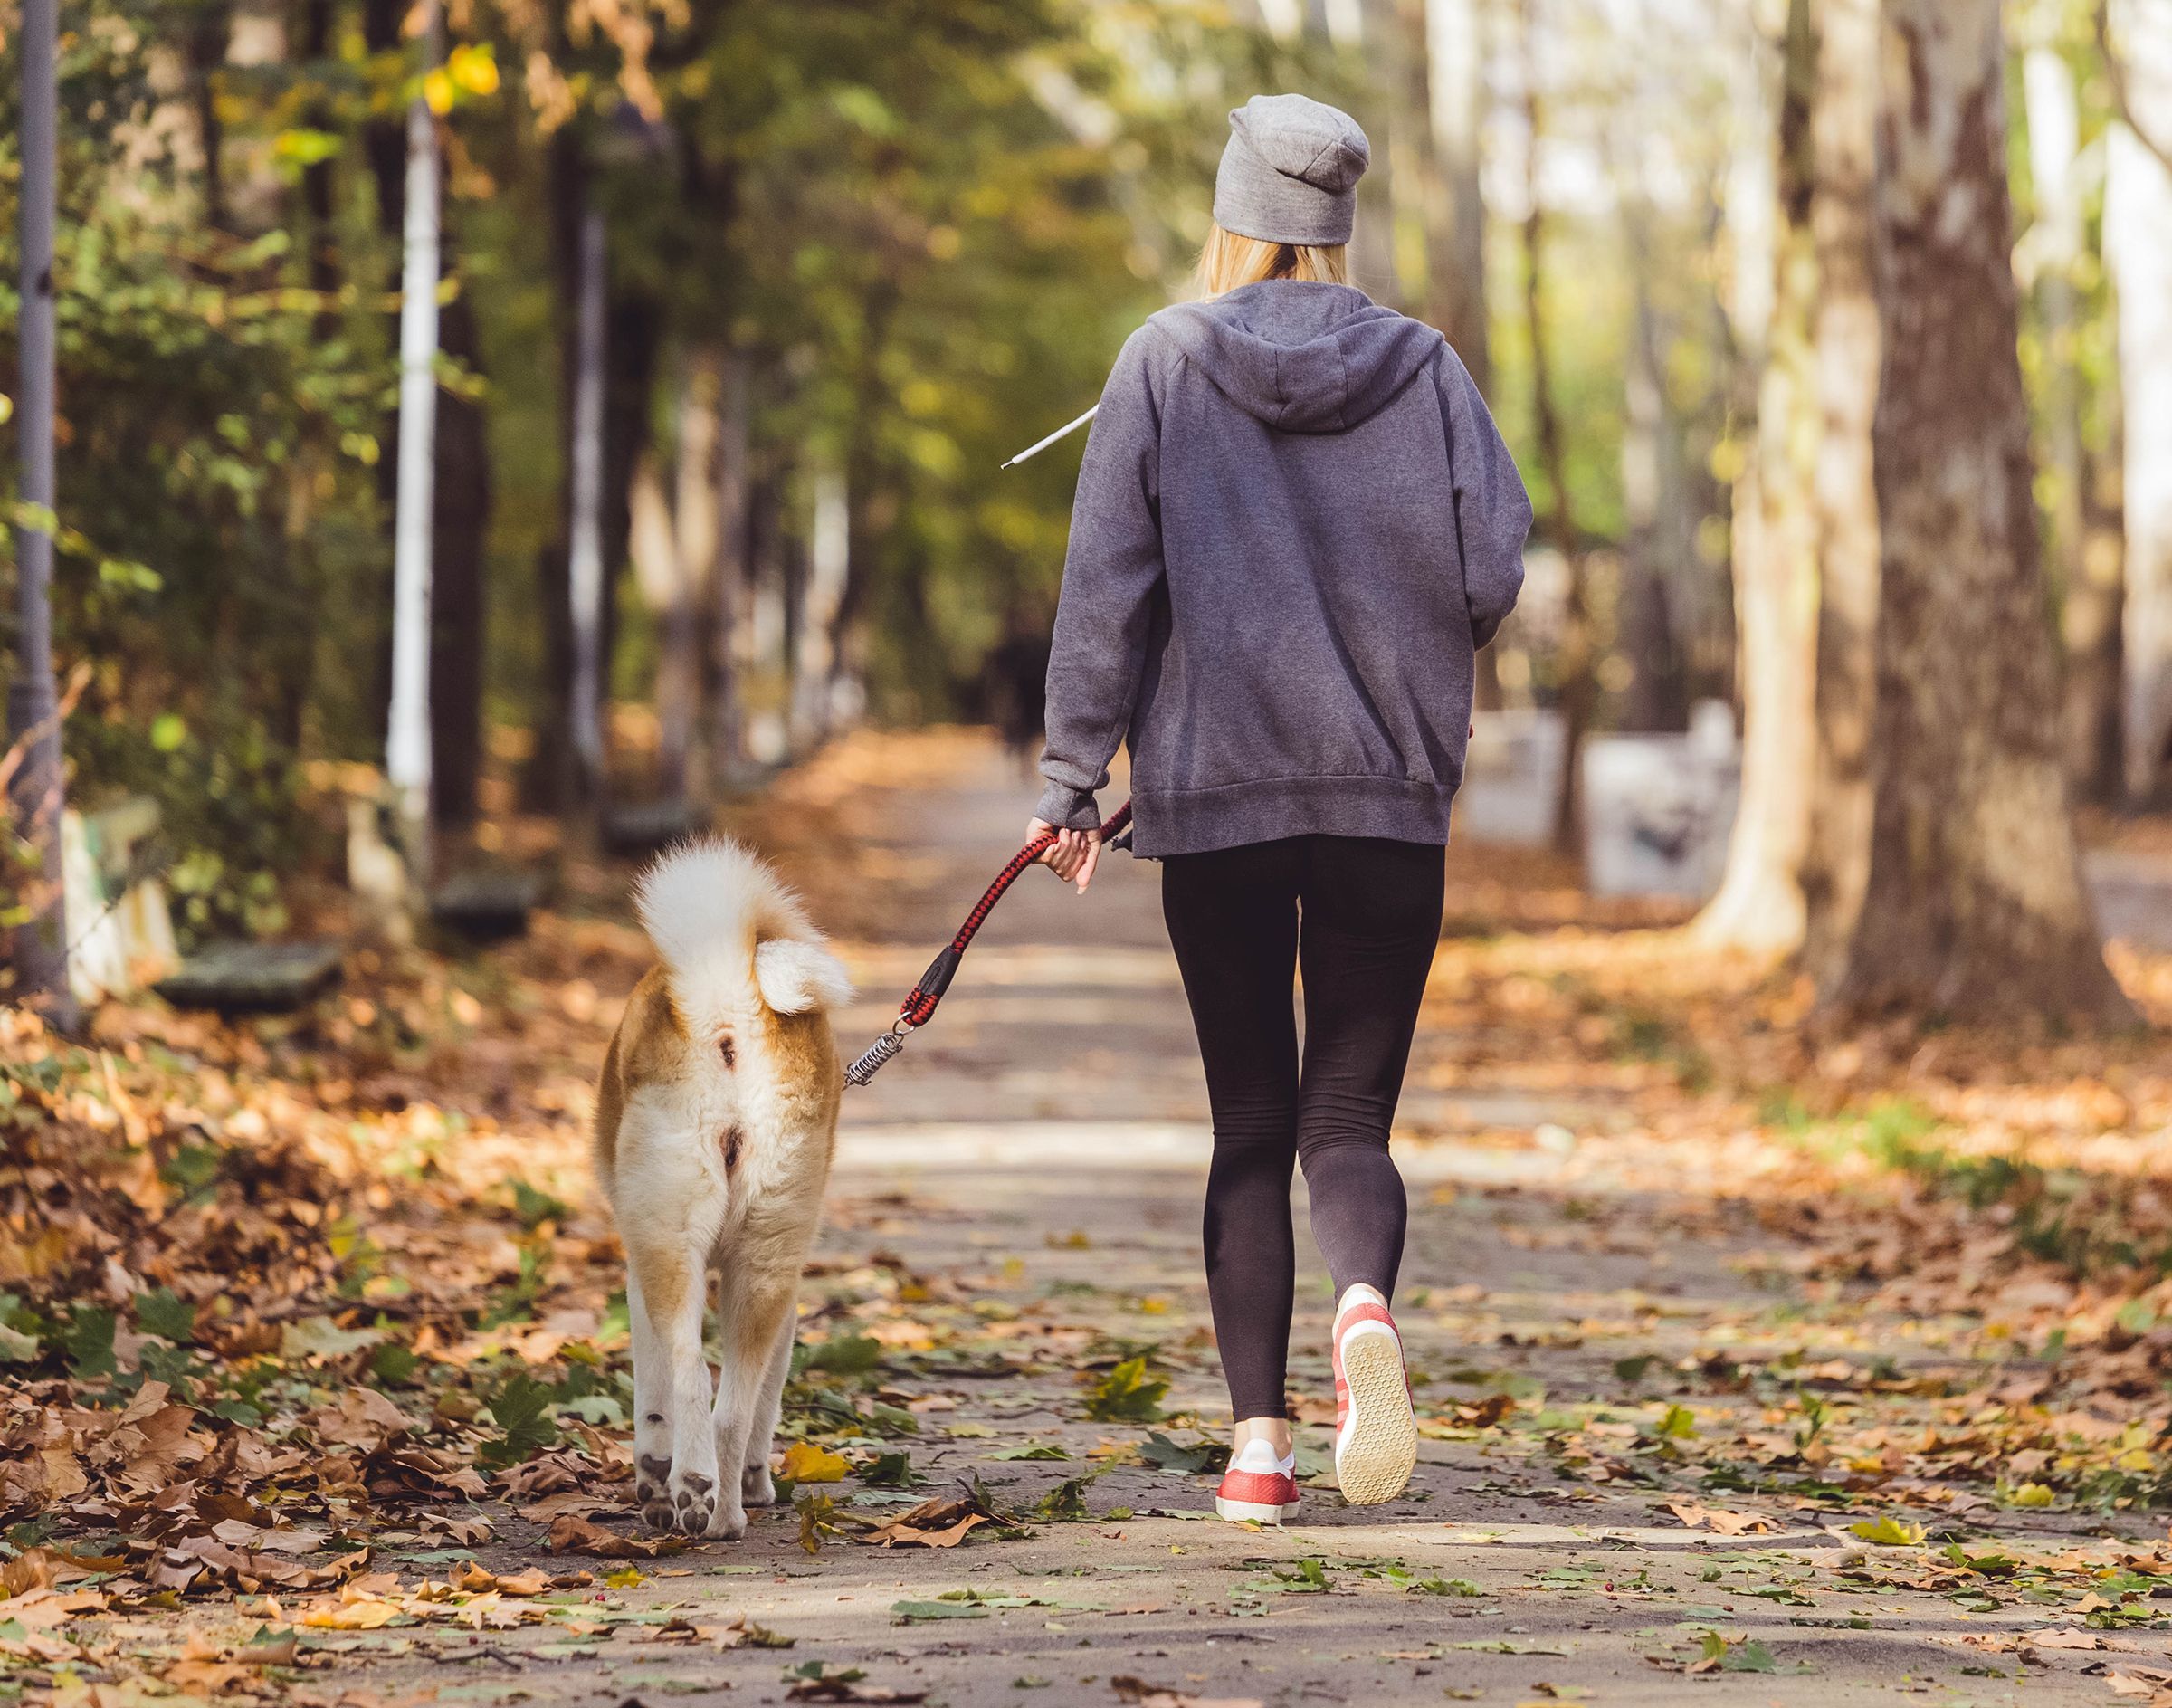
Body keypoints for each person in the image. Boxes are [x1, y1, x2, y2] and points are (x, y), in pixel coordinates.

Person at [1027, 93, 1531, 1523]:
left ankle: (1258, 1450)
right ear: (1340, 223)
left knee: (1248, 1119)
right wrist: (1413, 652)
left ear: (1233, 214)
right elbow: (1492, 564)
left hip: (1221, 796)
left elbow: (1104, 586)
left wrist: (1074, 779)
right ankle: (1364, 1304)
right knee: (1350, 1116)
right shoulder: (1427, 365)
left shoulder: (1163, 360)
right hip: (1387, 797)